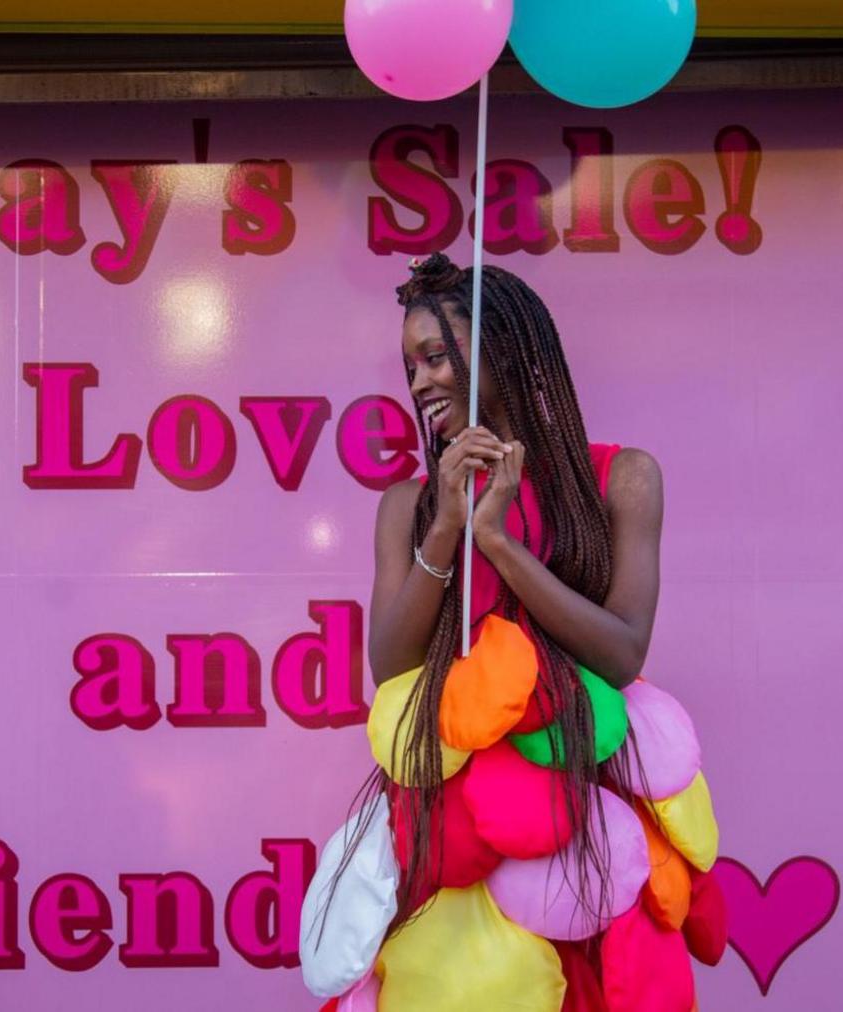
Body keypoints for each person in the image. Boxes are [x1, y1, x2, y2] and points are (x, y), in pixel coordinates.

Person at [301, 253, 716, 1011]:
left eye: (436, 356)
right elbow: (389, 670)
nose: (421, 381)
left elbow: (621, 653)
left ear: (505, 351)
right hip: (450, 823)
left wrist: (499, 545)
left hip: (581, 815)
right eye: (411, 364)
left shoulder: (623, 479)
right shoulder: (410, 506)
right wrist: (450, 526)